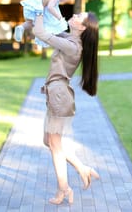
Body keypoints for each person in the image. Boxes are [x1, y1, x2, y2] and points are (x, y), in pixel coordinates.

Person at [33, 11, 100, 205]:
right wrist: (37, 15)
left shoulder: (72, 46)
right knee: (50, 142)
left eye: (80, 16)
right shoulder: (69, 38)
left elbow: (41, 33)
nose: (76, 14)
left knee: (54, 145)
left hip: (59, 96)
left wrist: (39, 9)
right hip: (56, 95)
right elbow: (43, 29)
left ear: (82, 27)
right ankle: (82, 168)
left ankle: (64, 189)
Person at [14, 0, 78, 46]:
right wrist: (59, 17)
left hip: (31, 7)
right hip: (38, 9)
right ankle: (52, 39)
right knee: (48, 25)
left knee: (30, 23)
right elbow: (50, 7)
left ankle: (21, 27)